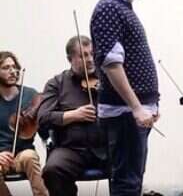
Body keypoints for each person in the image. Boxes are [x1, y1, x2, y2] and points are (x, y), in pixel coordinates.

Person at [90, 0, 160, 196]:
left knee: (132, 182)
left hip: (131, 113)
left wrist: (148, 105)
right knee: (127, 185)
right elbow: (111, 64)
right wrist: (137, 107)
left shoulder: (121, 8)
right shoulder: (109, 9)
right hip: (124, 115)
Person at [37, 35, 108, 196]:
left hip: (107, 148)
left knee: (129, 162)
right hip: (72, 149)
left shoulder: (107, 79)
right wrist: (74, 115)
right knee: (52, 170)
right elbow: (43, 118)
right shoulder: (57, 83)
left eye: (92, 54)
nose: (90, 59)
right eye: (83, 55)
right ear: (70, 59)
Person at [0, 51, 48, 196]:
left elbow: (44, 131)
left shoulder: (30, 95)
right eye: (6, 68)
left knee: (30, 157)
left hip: (23, 153)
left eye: (14, 67)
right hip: (1, 156)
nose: (12, 71)